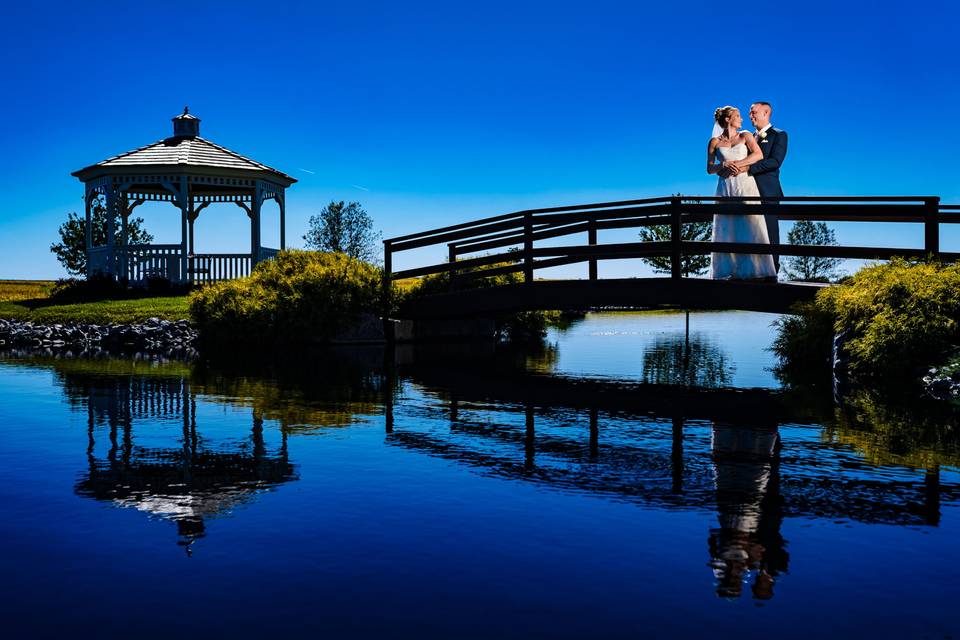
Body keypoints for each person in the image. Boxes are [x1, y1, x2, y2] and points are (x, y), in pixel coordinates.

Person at [707, 106, 777, 280]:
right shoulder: (714, 142)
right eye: (737, 116)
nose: (742, 119)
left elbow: (758, 155)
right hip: (725, 186)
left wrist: (739, 164)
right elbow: (709, 168)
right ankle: (729, 269)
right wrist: (722, 166)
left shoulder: (745, 136)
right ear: (728, 119)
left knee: (750, 223)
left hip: (744, 183)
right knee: (728, 225)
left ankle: (757, 269)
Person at [745, 101, 787, 272]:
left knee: (770, 231)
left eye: (754, 112)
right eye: (749, 113)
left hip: (768, 191)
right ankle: (752, 268)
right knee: (749, 230)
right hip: (747, 191)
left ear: (766, 112)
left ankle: (772, 270)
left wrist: (748, 168)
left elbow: (775, 162)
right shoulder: (747, 137)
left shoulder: (779, 135)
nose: (751, 115)